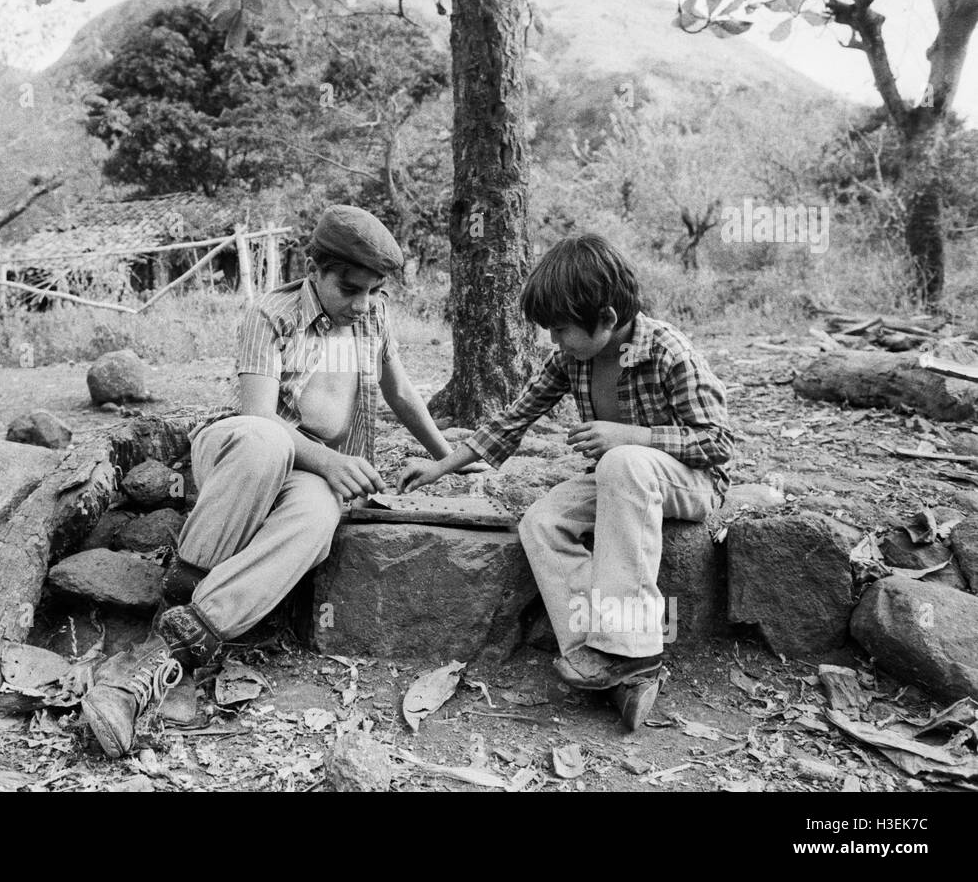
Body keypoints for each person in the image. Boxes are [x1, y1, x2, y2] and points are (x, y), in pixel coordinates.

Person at [82, 204, 456, 758]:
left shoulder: (374, 317)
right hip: (240, 455)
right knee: (268, 442)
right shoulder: (270, 314)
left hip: (308, 473)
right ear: (316, 269)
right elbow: (259, 419)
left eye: (372, 291)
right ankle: (183, 584)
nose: (362, 303)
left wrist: (449, 457)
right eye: (350, 288)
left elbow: (400, 393)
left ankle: (169, 651)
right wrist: (330, 462)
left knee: (320, 513)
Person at [398, 234, 733, 730]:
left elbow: (719, 443)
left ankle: (634, 649)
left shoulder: (668, 351)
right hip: (624, 480)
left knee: (620, 461)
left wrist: (631, 435)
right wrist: (440, 465)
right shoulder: (572, 359)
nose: (554, 341)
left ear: (607, 319)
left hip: (690, 482)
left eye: (560, 329)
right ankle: (596, 656)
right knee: (543, 520)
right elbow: (515, 418)